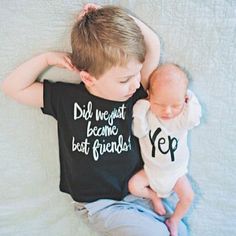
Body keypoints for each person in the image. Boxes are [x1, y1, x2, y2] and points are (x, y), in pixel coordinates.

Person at [1, 4, 188, 236]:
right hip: (99, 205)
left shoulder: (136, 94)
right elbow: (12, 87)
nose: (135, 83)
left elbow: (154, 46)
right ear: (89, 78)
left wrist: (115, 18)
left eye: (137, 74)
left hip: (138, 194)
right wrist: (47, 59)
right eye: (124, 80)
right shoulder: (67, 99)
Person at [128, 63, 201, 236]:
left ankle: (174, 219)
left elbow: (194, 119)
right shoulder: (147, 115)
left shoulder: (181, 119)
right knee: (133, 186)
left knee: (188, 197)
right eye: (159, 104)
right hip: (150, 171)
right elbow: (138, 131)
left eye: (175, 105)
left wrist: (189, 96)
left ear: (184, 100)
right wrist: (142, 108)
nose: (167, 111)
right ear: (149, 97)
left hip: (176, 173)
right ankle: (153, 197)